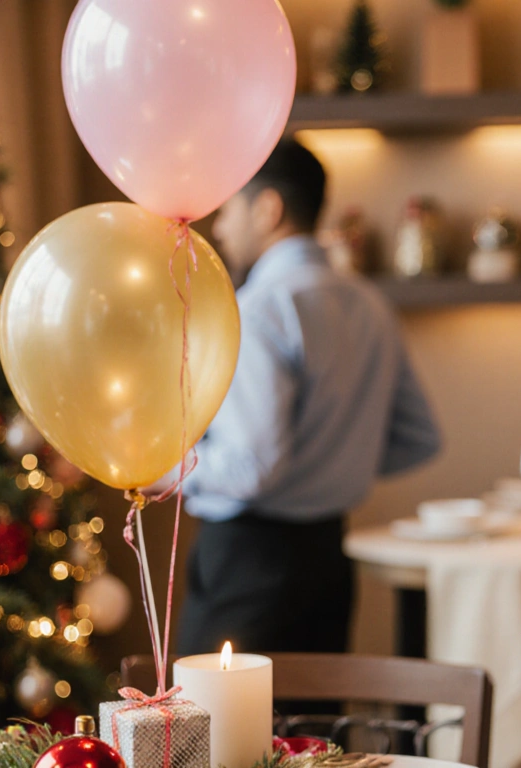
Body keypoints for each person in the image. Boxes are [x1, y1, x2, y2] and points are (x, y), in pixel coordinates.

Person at [164, 138, 442, 657]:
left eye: (227, 208)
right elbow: (419, 439)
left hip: (247, 564)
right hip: (328, 563)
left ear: (268, 208)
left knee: (210, 734)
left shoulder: (256, 309)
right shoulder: (370, 303)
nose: (219, 227)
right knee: (318, 734)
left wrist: (151, 467)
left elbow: (251, 468)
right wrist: (336, 459)